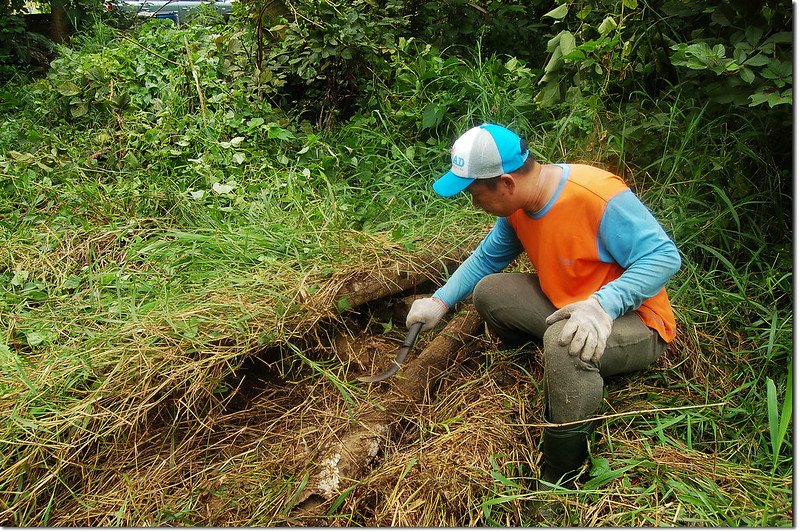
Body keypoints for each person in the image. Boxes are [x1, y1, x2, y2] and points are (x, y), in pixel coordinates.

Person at [406, 123, 681, 486]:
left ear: (506, 183)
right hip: (565, 305)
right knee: (490, 291)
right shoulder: (518, 206)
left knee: (563, 343)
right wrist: (439, 302)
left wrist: (603, 305)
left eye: (475, 193)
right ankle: (531, 369)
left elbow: (664, 257)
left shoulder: (594, 195)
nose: (474, 203)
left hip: (634, 321)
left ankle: (561, 473)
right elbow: (488, 258)